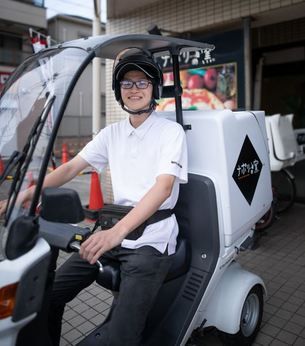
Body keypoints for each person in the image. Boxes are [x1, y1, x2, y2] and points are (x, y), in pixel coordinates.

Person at [1, 50, 188, 345]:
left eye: (142, 82)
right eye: (127, 83)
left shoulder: (170, 132)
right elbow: (72, 167)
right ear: (118, 91)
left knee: (123, 336)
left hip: (150, 241)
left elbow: (163, 188)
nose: (134, 89)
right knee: (47, 297)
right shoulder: (111, 133)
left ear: (154, 87)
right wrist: (24, 195)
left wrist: (116, 233)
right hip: (113, 233)